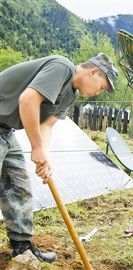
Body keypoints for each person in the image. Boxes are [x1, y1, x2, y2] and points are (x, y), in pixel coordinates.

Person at [0, 52, 118, 262]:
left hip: (5, 130)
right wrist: (36, 147)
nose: (98, 93)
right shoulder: (62, 67)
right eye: (101, 87)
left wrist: (45, 157)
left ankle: (22, 248)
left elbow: (47, 125)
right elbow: (28, 100)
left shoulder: (71, 94)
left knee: (18, 186)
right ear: (94, 72)